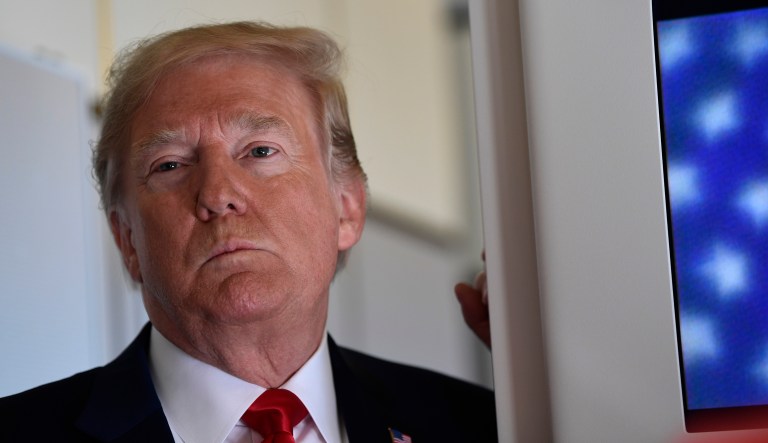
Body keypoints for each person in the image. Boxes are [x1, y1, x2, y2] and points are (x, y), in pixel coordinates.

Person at [0, 21, 496, 442]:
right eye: (170, 164)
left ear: (346, 209)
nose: (218, 194)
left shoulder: (484, 424)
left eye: (260, 151)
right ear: (127, 239)